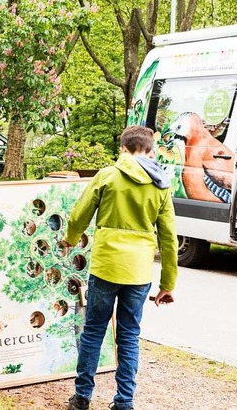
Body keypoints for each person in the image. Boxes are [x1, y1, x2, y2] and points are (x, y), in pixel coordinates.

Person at [62, 126, 178, 410]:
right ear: (149, 151)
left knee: (93, 331)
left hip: (106, 266)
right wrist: (168, 283)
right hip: (138, 272)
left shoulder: (107, 176)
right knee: (128, 335)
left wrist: (70, 239)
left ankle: (82, 398)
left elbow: (79, 215)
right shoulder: (161, 184)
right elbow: (169, 238)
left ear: (123, 149)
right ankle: (124, 402)